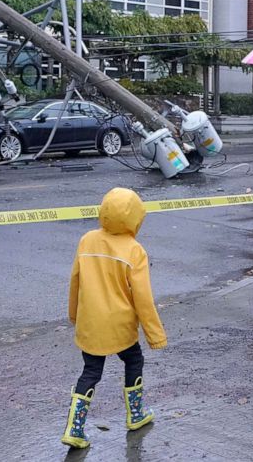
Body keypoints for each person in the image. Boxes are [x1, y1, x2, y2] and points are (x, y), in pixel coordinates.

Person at [61, 188, 167, 449]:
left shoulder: (87, 240)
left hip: (91, 323)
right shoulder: (134, 250)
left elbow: (75, 281)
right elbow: (142, 298)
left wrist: (74, 314)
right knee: (133, 359)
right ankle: (136, 414)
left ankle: (74, 428)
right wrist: (155, 334)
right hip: (120, 326)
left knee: (91, 371)